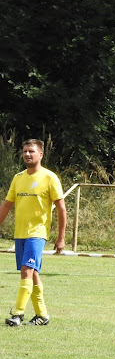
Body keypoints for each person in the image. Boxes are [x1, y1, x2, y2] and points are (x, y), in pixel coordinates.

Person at [0, 139, 66, 326]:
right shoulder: (18, 178)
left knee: (27, 270)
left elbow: (61, 209)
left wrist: (61, 237)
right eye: (25, 151)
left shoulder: (50, 178)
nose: (27, 154)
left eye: (31, 151)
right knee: (32, 272)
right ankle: (42, 315)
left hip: (37, 233)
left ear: (40, 155)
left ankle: (18, 314)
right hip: (20, 233)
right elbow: (6, 204)